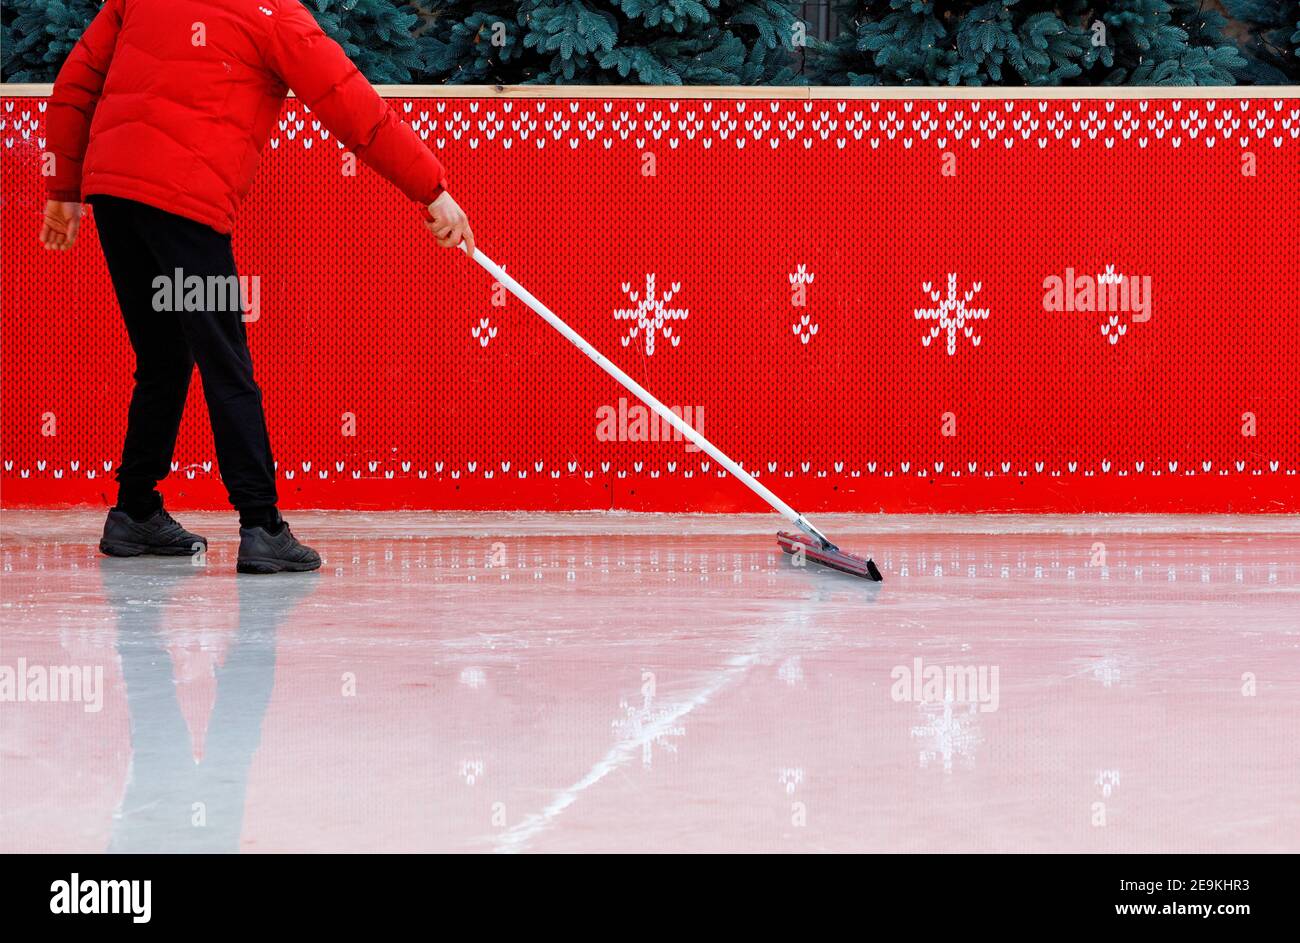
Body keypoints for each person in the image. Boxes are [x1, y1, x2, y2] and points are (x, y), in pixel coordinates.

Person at [40, 0, 473, 574]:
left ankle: (134, 510)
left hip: (116, 199)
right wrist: (432, 188)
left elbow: (74, 84)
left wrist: (63, 191)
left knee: (165, 355)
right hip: (185, 210)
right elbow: (353, 107)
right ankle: (261, 525)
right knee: (225, 362)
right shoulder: (274, 14)